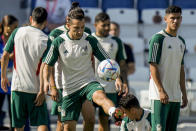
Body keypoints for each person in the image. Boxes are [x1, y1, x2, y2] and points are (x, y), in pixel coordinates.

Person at [42, 6, 124, 131]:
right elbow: (48, 65)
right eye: (76, 28)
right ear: (68, 25)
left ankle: (114, 112)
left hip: (88, 83)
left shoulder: (90, 40)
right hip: (68, 89)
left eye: (82, 27)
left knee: (98, 100)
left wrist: (117, 78)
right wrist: (50, 84)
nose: (80, 31)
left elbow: (108, 62)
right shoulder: (59, 42)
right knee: (68, 127)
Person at [48, 2, 94, 131]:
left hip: (85, 82)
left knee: (90, 119)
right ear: (68, 19)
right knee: (62, 123)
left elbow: (91, 57)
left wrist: (93, 77)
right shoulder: (56, 34)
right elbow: (49, 63)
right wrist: (52, 86)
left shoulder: (87, 32)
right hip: (63, 84)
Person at [1, 7, 49, 131]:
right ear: (45, 23)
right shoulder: (46, 40)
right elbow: (45, 67)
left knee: (18, 127)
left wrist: (3, 77)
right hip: (36, 89)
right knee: (42, 123)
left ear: (31, 19)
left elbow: (5, 55)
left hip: (17, 87)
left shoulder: (17, 32)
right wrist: (43, 90)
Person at [148, 6, 188, 131]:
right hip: (159, 96)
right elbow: (152, 66)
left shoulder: (181, 41)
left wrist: (184, 93)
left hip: (175, 96)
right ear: (165, 19)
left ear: (181, 19)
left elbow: (181, 69)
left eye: (178, 18)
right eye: (172, 18)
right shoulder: (158, 39)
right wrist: (161, 90)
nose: (175, 21)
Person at [92, 12, 128, 131]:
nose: (107, 28)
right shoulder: (89, 39)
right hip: (91, 86)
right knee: (89, 120)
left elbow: (122, 65)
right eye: (104, 25)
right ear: (95, 25)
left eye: (108, 25)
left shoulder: (116, 41)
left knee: (105, 121)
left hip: (110, 87)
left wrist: (124, 82)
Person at [0, 15, 18, 130]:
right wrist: (6, 57)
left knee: (14, 115)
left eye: (17, 27)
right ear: (5, 26)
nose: (15, 30)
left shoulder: (17, 39)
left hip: (14, 82)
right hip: (0, 82)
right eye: (13, 27)